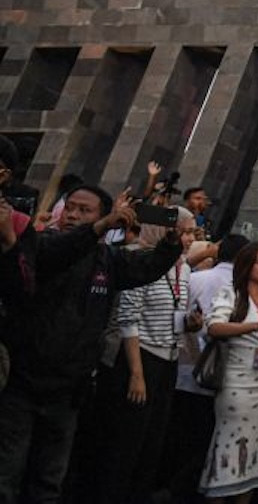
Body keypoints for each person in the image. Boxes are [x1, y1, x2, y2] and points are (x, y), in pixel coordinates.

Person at [0, 185, 180, 504]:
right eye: (70, 207)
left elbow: (145, 267)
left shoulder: (107, 260)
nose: (72, 215)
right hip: (22, 385)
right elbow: (57, 254)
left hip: (68, 391)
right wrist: (100, 226)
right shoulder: (40, 245)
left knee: (49, 479)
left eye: (85, 211)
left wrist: (170, 242)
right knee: (7, 475)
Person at [97, 221, 202, 503]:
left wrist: (190, 325)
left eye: (193, 233)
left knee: (153, 441)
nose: (189, 238)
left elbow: (174, 311)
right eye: (184, 231)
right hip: (141, 357)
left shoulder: (185, 269)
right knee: (127, 440)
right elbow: (128, 318)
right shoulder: (142, 263)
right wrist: (136, 373)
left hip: (168, 357)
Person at [199, 242, 258, 503]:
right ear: (246, 265)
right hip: (236, 381)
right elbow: (215, 327)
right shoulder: (230, 293)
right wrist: (257, 325)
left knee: (257, 448)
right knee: (230, 445)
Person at [160, 233, 251, 502]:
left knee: (178, 437)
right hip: (220, 376)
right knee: (205, 441)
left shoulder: (195, 279)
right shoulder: (244, 287)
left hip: (183, 370)